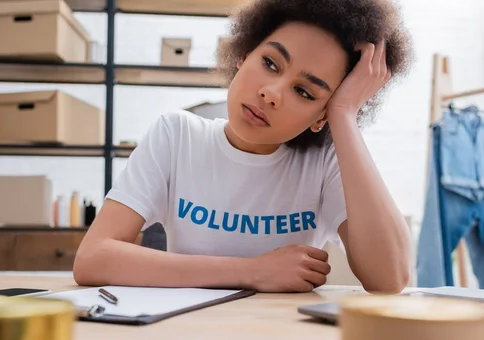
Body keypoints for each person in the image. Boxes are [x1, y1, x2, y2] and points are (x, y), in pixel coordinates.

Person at [73, 0, 414, 293]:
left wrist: (343, 115)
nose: (272, 93)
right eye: (269, 63)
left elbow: (391, 278)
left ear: (320, 117)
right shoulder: (177, 136)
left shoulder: (324, 159)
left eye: (305, 92)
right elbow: (93, 259)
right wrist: (252, 272)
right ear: (244, 55)